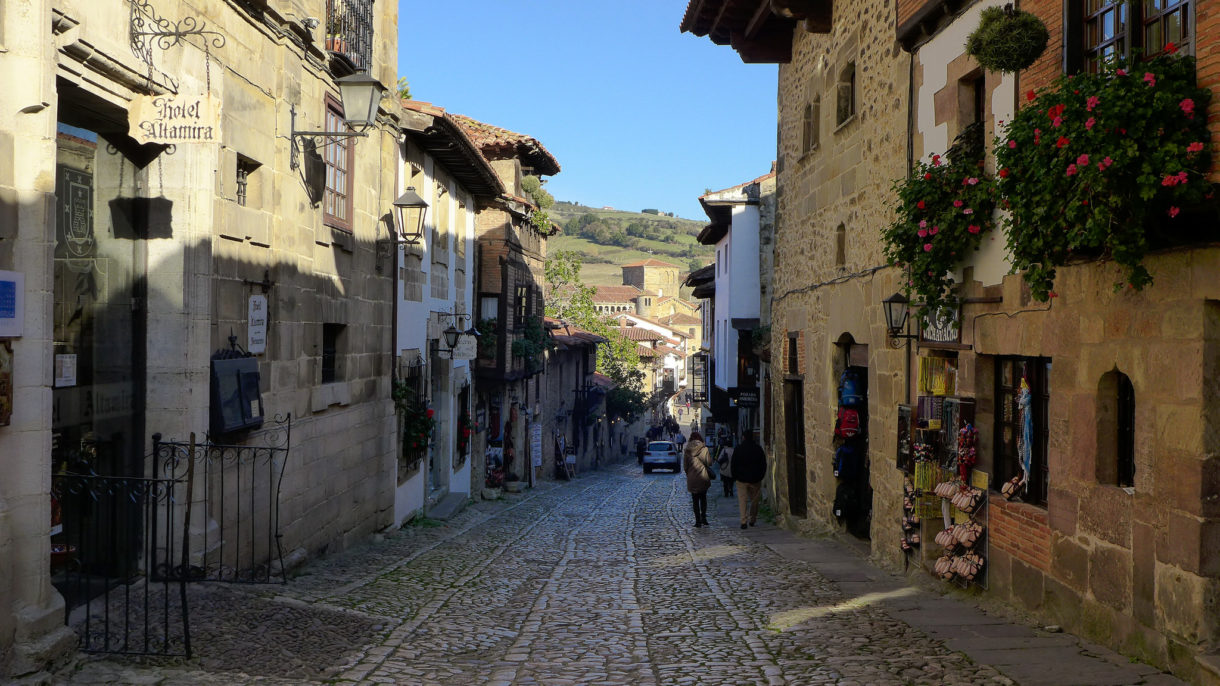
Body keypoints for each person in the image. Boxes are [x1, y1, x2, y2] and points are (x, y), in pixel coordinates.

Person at [731, 430, 767, 529]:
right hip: (755, 479)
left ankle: (743, 521)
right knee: (755, 501)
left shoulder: (738, 449)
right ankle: (752, 519)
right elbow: (763, 464)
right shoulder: (758, 449)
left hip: (741, 479)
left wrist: (735, 476)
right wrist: (761, 476)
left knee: (742, 500)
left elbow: (733, 464)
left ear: (743, 437)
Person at [682, 431, 714, 528]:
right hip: (703, 476)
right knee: (703, 498)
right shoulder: (704, 449)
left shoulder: (687, 449)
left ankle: (697, 521)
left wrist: (689, 474)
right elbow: (709, 463)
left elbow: (685, 466)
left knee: (695, 499)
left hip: (692, 477)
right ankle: (703, 517)